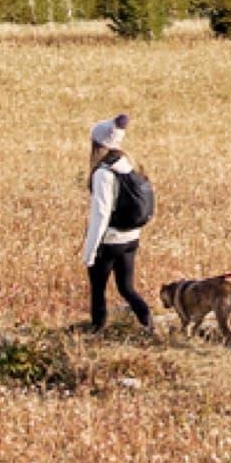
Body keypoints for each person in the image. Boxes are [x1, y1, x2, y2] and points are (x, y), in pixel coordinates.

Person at [81, 114, 153, 332]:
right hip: (131, 238)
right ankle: (148, 324)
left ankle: (96, 330)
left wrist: (90, 253)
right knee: (127, 288)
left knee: (98, 289)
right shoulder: (129, 165)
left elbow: (100, 215)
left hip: (110, 241)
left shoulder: (103, 173)